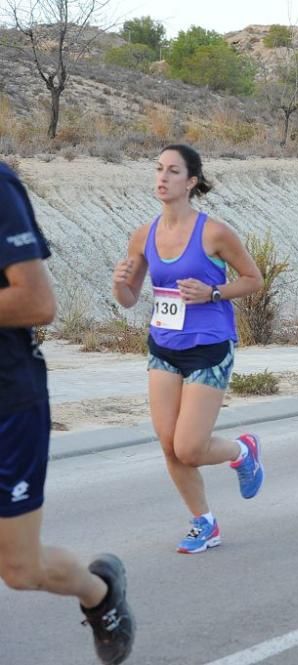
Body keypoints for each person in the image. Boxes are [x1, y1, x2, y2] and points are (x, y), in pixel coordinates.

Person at [0, 161, 135, 663]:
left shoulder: (0, 186)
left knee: (19, 569)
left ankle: (101, 594)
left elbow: (36, 301)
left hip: (7, 401)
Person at [112, 145, 265, 553]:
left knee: (190, 448)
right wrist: (119, 282)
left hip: (209, 346)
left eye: (173, 171)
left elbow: (253, 279)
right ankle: (204, 523)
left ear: (191, 181)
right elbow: (129, 298)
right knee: (168, 444)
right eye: (158, 169)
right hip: (163, 346)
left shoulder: (214, 232)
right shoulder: (143, 234)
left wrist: (213, 291)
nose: (162, 178)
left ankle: (241, 451)